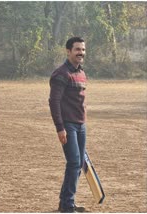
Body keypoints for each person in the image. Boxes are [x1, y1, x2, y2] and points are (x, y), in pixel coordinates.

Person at [49, 37, 87, 213]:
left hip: (81, 125)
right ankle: (68, 206)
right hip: (68, 125)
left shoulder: (81, 72)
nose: (81, 53)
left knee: (78, 165)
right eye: (77, 49)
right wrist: (60, 128)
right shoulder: (61, 74)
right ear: (68, 51)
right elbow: (54, 102)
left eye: (83, 49)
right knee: (73, 162)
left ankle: (65, 203)